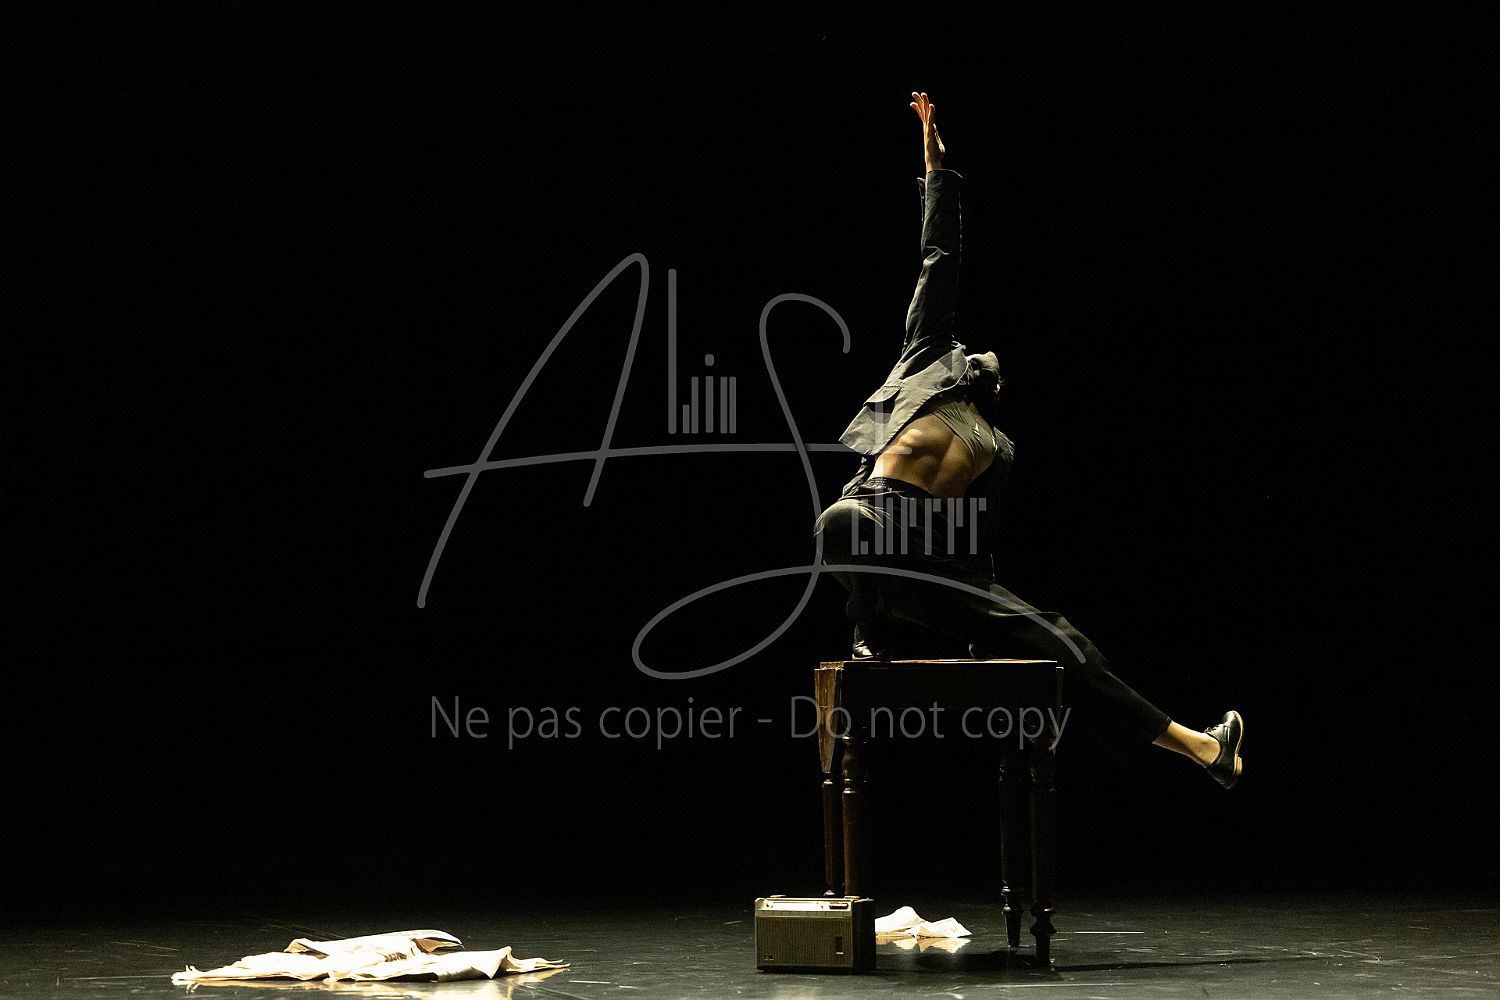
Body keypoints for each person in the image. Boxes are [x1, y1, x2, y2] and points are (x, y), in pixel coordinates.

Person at [812, 92, 1244, 789]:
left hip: (941, 568)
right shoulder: (927, 360)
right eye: (977, 356)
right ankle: (869, 632)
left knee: (1064, 643)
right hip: (874, 519)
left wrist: (987, 624)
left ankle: (1200, 748)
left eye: (994, 367)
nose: (986, 360)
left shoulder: (996, 446)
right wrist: (938, 175)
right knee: (839, 520)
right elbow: (939, 259)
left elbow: (978, 538)